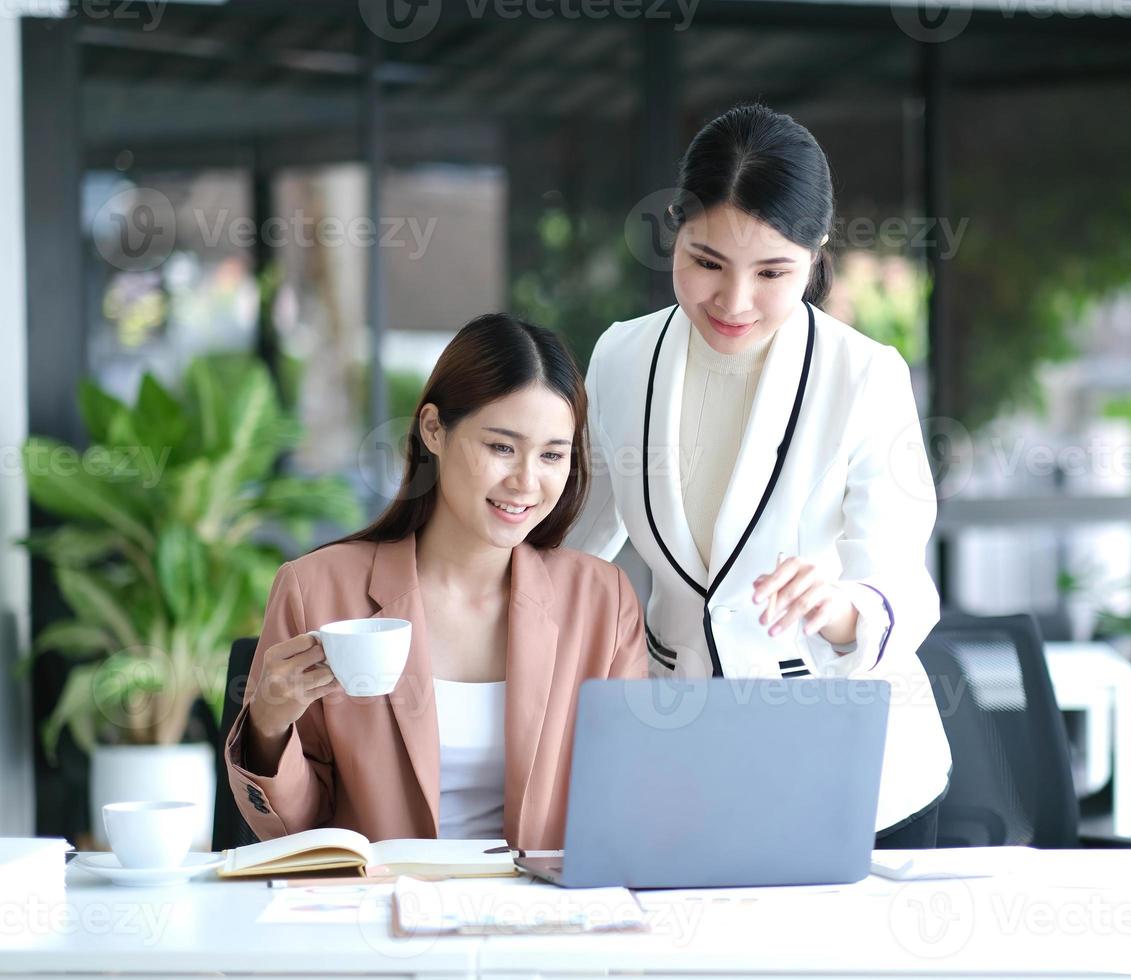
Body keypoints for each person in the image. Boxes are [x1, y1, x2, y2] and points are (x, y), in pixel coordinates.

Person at [568, 104, 951, 847]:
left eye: (772, 272)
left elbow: (902, 579)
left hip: (846, 763)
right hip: (680, 747)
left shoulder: (864, 375)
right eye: (706, 262)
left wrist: (839, 605)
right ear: (676, 226)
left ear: (816, 254)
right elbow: (577, 547)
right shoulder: (622, 357)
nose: (733, 302)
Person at [223, 314, 646, 849]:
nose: (526, 482)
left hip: (539, 919)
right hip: (374, 912)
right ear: (433, 430)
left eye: (552, 456)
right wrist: (267, 725)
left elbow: (628, 800)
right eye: (501, 447)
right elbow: (296, 832)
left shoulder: (602, 602)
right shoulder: (318, 590)